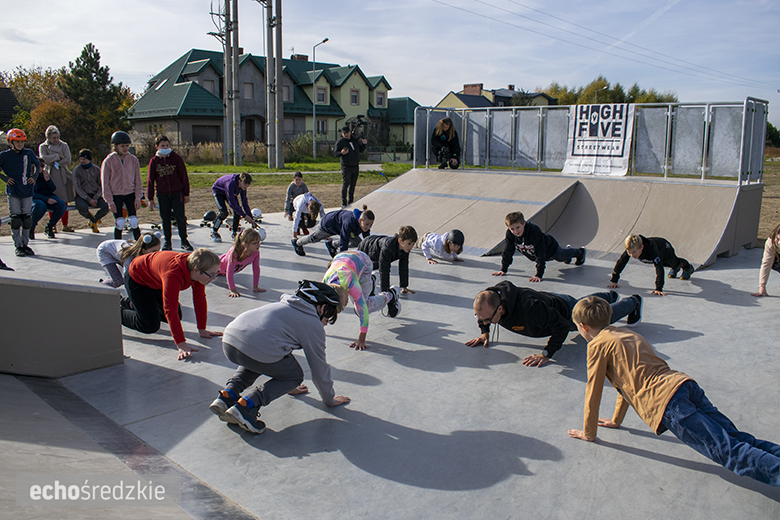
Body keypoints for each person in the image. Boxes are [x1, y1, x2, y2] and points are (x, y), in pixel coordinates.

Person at [567, 296, 780, 486]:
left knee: (726, 450)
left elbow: (593, 391)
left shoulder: (596, 346)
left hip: (667, 403)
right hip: (683, 385)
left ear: (583, 327)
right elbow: (628, 384)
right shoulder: (627, 334)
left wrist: (589, 433)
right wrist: (616, 420)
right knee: (736, 438)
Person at [209, 280, 351, 434]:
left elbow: (274, 348)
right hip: (257, 348)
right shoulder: (312, 323)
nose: (325, 324)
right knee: (295, 375)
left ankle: (227, 395)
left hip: (230, 341)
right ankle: (247, 406)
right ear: (322, 308)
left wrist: (286, 387)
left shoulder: (285, 306)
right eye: (327, 319)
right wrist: (329, 399)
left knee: (260, 355)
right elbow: (319, 368)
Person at [466, 280, 642, 368]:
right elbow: (482, 314)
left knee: (596, 318)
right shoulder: (490, 300)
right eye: (480, 318)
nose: (484, 321)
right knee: (582, 302)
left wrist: (546, 353)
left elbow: (562, 326)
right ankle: (609, 296)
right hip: (547, 301)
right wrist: (484, 333)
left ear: (500, 309)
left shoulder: (530, 308)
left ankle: (633, 301)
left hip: (565, 311)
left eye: (487, 320)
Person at [120, 248, 223, 360]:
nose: (214, 278)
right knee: (149, 326)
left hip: (157, 280)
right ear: (196, 270)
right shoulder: (172, 274)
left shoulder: (198, 269)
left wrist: (202, 329)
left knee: (175, 316)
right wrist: (181, 343)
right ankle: (116, 309)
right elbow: (170, 309)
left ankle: (132, 304)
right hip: (138, 279)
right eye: (211, 274)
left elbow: (200, 299)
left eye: (216, 273)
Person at [323, 250, 399, 350]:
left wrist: (361, 340)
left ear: (346, 292)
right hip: (345, 256)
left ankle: (390, 294)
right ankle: (372, 281)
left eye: (345, 303)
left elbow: (364, 312)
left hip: (364, 262)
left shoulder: (352, 286)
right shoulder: (325, 285)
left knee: (365, 305)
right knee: (361, 297)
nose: (346, 304)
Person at [493, 211, 585, 282]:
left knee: (561, 257)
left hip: (550, 248)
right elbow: (508, 251)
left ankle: (580, 252)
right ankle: (567, 252)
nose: (516, 231)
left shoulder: (534, 231)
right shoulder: (510, 234)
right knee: (563, 255)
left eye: (518, 227)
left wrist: (538, 274)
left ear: (524, 223)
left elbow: (540, 252)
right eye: (512, 229)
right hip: (536, 254)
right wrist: (504, 269)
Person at [147, 135, 193, 252]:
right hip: (162, 194)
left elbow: (184, 176)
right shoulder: (154, 161)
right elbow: (151, 180)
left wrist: (186, 194)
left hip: (177, 193)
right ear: (157, 147)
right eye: (162, 146)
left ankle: (184, 240)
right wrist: (150, 198)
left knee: (180, 218)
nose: (165, 147)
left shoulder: (176, 158)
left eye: (167, 145)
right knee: (165, 218)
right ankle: (167, 241)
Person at [608, 234, 694, 296]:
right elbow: (621, 263)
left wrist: (658, 288)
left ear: (642, 247)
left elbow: (659, 268)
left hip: (664, 248)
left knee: (674, 262)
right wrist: (614, 280)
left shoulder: (651, 250)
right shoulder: (631, 248)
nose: (632, 255)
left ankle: (688, 267)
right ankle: (674, 268)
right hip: (657, 249)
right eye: (629, 252)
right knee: (666, 264)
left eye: (634, 252)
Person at [357, 225, 418, 312]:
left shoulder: (405, 249)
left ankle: (372, 282)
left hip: (376, 250)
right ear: (400, 241)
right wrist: (385, 293)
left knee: (371, 270)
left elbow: (403, 266)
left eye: (413, 244)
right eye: (409, 243)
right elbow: (384, 270)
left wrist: (404, 286)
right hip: (367, 247)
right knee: (363, 273)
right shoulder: (388, 248)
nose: (411, 247)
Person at [0, 129, 38, 257]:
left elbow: (37, 164)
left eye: (22, 142)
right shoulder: (4, 155)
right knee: (16, 219)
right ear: (11, 142)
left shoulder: (28, 153)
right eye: (17, 142)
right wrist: (5, 178)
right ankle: (18, 245)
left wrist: (34, 176)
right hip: (13, 190)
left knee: (27, 219)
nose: (20, 144)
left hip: (27, 189)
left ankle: (25, 244)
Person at [101, 131, 143, 240]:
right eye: (122, 146)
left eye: (127, 146)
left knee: (134, 221)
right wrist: (109, 201)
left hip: (130, 193)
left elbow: (138, 180)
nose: (125, 148)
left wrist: (138, 197)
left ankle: (140, 245)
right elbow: (105, 182)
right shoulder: (108, 161)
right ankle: (117, 245)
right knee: (120, 222)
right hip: (116, 194)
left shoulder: (133, 160)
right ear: (115, 146)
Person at [292, 205, 374, 258]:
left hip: (339, 227)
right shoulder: (349, 222)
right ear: (360, 220)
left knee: (358, 243)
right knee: (314, 238)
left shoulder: (364, 222)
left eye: (371, 225)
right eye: (367, 224)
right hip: (328, 225)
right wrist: (341, 259)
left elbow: (367, 239)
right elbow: (344, 241)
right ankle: (297, 242)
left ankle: (332, 244)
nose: (368, 227)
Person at [38, 125, 74, 232]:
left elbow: (68, 159)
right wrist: (58, 156)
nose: (56, 140)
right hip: (49, 175)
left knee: (64, 199)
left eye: (57, 137)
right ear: (48, 138)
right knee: (52, 200)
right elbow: (44, 159)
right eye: (54, 138)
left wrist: (55, 162)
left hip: (62, 174)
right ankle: (53, 225)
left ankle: (65, 225)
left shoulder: (64, 145)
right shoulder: (43, 147)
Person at [96, 233, 162, 288]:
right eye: (153, 251)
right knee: (118, 281)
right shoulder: (130, 257)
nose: (156, 254)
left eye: (158, 250)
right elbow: (127, 277)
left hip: (116, 251)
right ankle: (100, 286)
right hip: (105, 252)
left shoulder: (144, 253)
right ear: (143, 251)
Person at [218, 228, 266, 298]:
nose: (258, 245)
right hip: (217, 266)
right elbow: (229, 272)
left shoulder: (255, 252)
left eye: (258, 242)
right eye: (254, 243)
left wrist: (255, 286)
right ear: (245, 245)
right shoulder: (235, 253)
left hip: (225, 270)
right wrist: (233, 290)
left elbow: (256, 269)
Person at [72, 149, 110, 233]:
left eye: (84, 159)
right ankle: (91, 218)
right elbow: (77, 187)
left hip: (95, 194)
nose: (82, 161)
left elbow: (102, 185)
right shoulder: (76, 170)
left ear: (89, 159)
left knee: (106, 206)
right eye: (80, 159)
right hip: (82, 196)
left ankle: (94, 220)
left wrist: (95, 197)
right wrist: (88, 199)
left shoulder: (96, 169)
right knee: (82, 207)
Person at [210, 172, 254, 243]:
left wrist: (251, 218)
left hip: (230, 193)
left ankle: (234, 233)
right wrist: (245, 216)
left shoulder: (243, 187)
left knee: (237, 213)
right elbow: (233, 205)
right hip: (219, 191)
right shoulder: (230, 184)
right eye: (245, 184)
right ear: (240, 181)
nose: (247, 186)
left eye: (248, 184)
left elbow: (244, 203)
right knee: (223, 212)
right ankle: (214, 232)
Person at [31, 159, 67, 239]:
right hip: (35, 198)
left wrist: (48, 180)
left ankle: (50, 226)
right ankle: (31, 227)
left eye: (43, 166)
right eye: (40, 166)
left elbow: (53, 189)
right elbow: (31, 193)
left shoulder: (44, 175)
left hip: (48, 195)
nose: (42, 168)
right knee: (41, 206)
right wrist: (46, 199)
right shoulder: (30, 177)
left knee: (61, 205)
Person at [334, 125, 366, 207]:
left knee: (353, 184)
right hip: (346, 166)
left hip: (355, 165)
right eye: (344, 133)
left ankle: (351, 201)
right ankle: (344, 202)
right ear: (342, 134)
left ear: (349, 132)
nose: (346, 134)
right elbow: (335, 153)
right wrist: (341, 153)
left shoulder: (354, 140)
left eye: (347, 133)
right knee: (346, 184)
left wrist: (364, 144)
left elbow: (361, 150)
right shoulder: (340, 142)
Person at [751, 223, 780, 297]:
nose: (779, 243)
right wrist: (762, 286)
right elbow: (766, 263)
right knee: (775, 264)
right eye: (778, 239)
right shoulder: (771, 242)